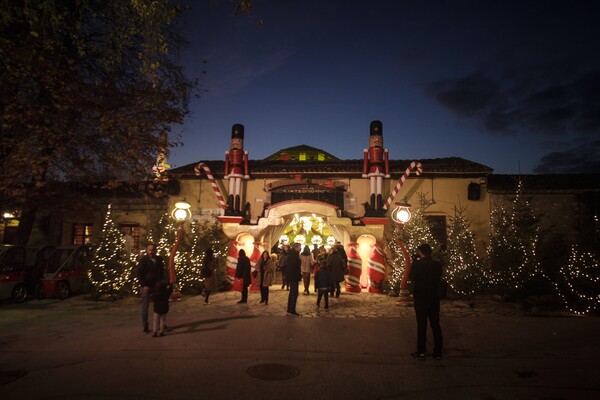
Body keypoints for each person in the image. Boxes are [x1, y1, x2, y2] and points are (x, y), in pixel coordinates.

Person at [409, 243, 443, 360]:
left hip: (420, 297)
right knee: (435, 324)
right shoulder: (437, 265)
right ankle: (438, 351)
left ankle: (421, 351)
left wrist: (415, 262)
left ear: (420, 252)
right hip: (433, 297)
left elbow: (411, 277)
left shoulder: (417, 264)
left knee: (422, 324)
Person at [137, 243, 165, 333]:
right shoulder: (143, 260)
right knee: (145, 307)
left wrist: (161, 283)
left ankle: (159, 324)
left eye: (152, 250)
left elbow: (161, 272)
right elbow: (139, 273)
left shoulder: (159, 259)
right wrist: (144, 285)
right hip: (146, 286)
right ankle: (145, 325)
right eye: (149, 250)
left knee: (158, 305)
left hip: (156, 286)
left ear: (155, 250)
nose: (150, 252)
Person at [285, 243, 302, 316]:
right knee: (294, 293)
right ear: (296, 248)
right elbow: (294, 267)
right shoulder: (294, 256)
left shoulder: (291, 255)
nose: (300, 248)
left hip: (292, 277)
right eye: (299, 247)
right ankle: (292, 310)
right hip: (294, 277)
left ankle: (290, 309)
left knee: (292, 293)